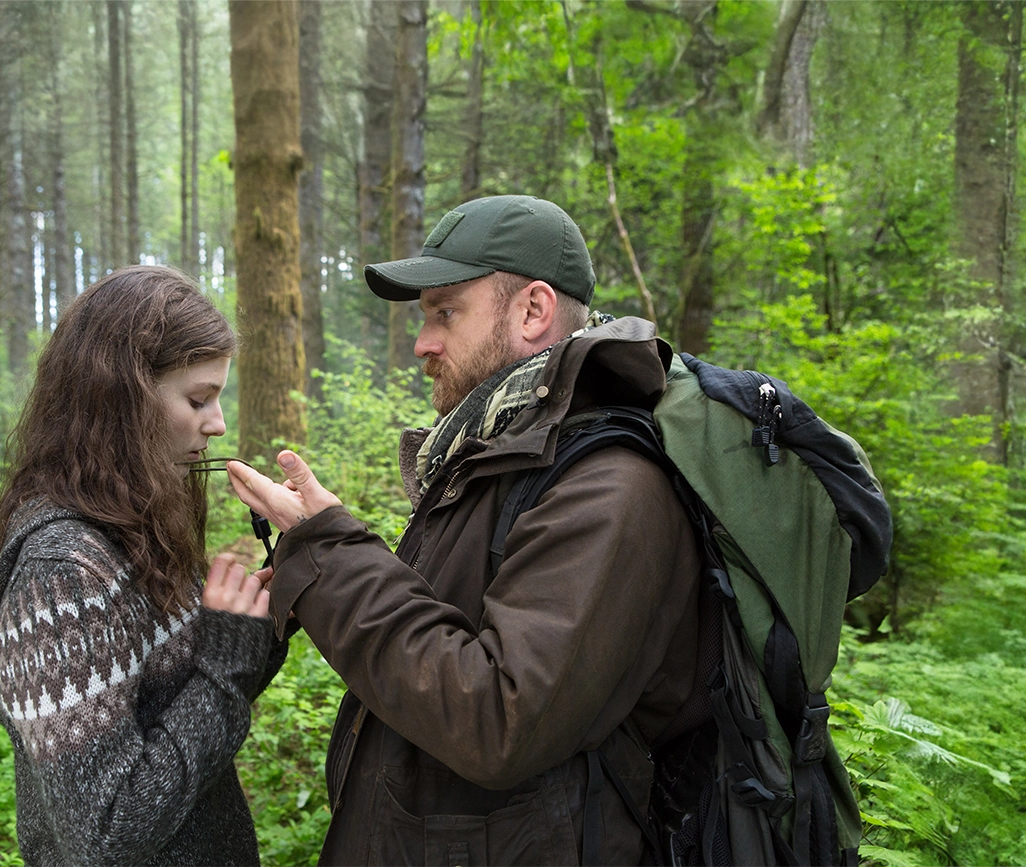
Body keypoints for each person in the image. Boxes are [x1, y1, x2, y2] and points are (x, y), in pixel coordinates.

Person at [229, 195, 702, 865]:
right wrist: (333, 543)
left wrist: (332, 558)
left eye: (445, 313)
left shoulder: (610, 482)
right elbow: (435, 638)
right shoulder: (495, 456)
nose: (422, 343)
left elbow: (499, 718)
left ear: (533, 309)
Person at [0, 265, 286, 866]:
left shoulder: (130, 526)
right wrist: (224, 662)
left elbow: (173, 705)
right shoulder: (62, 576)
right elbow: (106, 833)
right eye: (198, 399)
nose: (217, 424)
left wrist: (260, 624)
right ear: (121, 399)